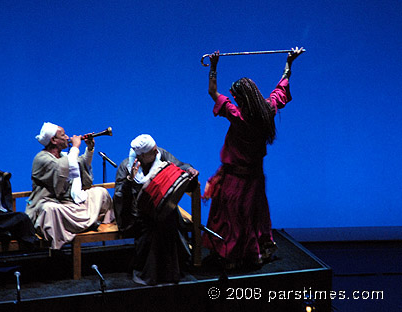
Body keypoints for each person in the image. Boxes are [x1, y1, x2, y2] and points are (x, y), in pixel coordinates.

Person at [202, 47, 304, 269]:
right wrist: (290, 63)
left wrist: (214, 65)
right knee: (251, 217)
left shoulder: (237, 115)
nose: (234, 99)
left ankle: (232, 256)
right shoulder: (267, 110)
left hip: (235, 180)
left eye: (236, 96)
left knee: (232, 219)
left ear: (241, 99)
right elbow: (281, 88)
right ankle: (253, 253)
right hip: (255, 179)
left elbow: (212, 92)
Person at [114, 134, 199, 285]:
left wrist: (190, 170)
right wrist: (129, 180)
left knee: (168, 218)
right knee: (153, 225)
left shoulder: (161, 155)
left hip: (163, 210)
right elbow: (121, 196)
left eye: (155, 149)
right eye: (152, 151)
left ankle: (172, 271)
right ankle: (152, 272)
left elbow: (180, 166)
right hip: (138, 214)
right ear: (141, 155)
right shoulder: (126, 166)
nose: (156, 152)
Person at [25, 122, 115, 249]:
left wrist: (89, 149)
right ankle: (73, 231)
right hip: (53, 202)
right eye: (63, 135)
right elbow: (64, 167)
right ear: (53, 140)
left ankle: (93, 223)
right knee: (49, 210)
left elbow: (78, 165)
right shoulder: (41, 158)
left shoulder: (64, 156)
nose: (68, 137)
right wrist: (75, 147)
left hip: (70, 202)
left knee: (100, 192)